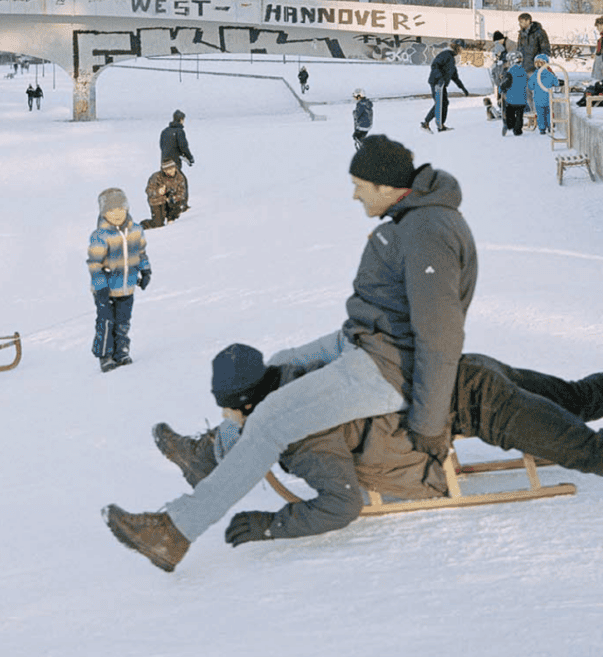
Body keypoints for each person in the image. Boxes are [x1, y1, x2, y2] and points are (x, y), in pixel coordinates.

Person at [102, 134, 476, 571]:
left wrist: (430, 425)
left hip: (388, 370)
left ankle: (174, 531)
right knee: (277, 366)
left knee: (272, 416)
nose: (354, 192)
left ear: (386, 185)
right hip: (366, 341)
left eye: (360, 183)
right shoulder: (413, 221)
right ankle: (214, 454)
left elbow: (440, 336)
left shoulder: (428, 234)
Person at [149, 343, 603, 545]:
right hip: (466, 370)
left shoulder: (300, 430)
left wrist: (270, 523)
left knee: (597, 452)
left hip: (479, 402)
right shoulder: (296, 370)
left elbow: (337, 502)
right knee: (575, 397)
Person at [87, 188, 150, 372]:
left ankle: (121, 351)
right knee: (106, 322)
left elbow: (141, 253)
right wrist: (100, 286)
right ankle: (105, 355)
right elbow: (94, 264)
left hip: (127, 287)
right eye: (111, 211)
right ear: (104, 213)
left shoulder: (136, 230)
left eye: (120, 209)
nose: (116, 214)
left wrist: (146, 271)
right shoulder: (100, 236)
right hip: (105, 290)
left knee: (123, 321)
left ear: (126, 208)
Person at [421, 40, 469, 132]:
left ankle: (441, 126)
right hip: (436, 82)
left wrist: (463, 88)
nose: (461, 51)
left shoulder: (451, 59)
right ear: (456, 47)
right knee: (440, 103)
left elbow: (455, 77)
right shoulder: (445, 54)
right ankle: (426, 123)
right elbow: (435, 65)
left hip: (442, 84)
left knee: (444, 103)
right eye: (461, 48)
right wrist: (440, 77)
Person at [145, 159, 190, 227]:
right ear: (164, 170)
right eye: (168, 169)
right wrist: (158, 192)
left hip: (170, 200)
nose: (171, 171)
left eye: (172, 168)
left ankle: (171, 219)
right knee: (158, 224)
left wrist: (174, 198)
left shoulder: (179, 177)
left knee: (179, 204)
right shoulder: (156, 177)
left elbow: (182, 192)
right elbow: (148, 190)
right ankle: (143, 225)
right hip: (157, 201)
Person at [500, 52, 528, 136]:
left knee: (510, 113)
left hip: (512, 98)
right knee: (520, 115)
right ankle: (518, 130)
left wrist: (501, 88)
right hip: (522, 98)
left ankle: (510, 125)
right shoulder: (523, 71)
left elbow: (507, 83)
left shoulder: (510, 72)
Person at [533, 54, 559, 135]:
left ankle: (542, 129)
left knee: (540, 114)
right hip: (548, 98)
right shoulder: (550, 74)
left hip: (537, 99)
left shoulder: (535, 74)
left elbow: (530, 85)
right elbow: (556, 82)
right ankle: (550, 126)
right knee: (548, 113)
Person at [484, 31, 508, 121]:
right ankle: (502, 110)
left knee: (501, 93)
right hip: (500, 75)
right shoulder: (500, 48)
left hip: (499, 75)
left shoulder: (497, 48)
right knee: (502, 94)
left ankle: (501, 110)